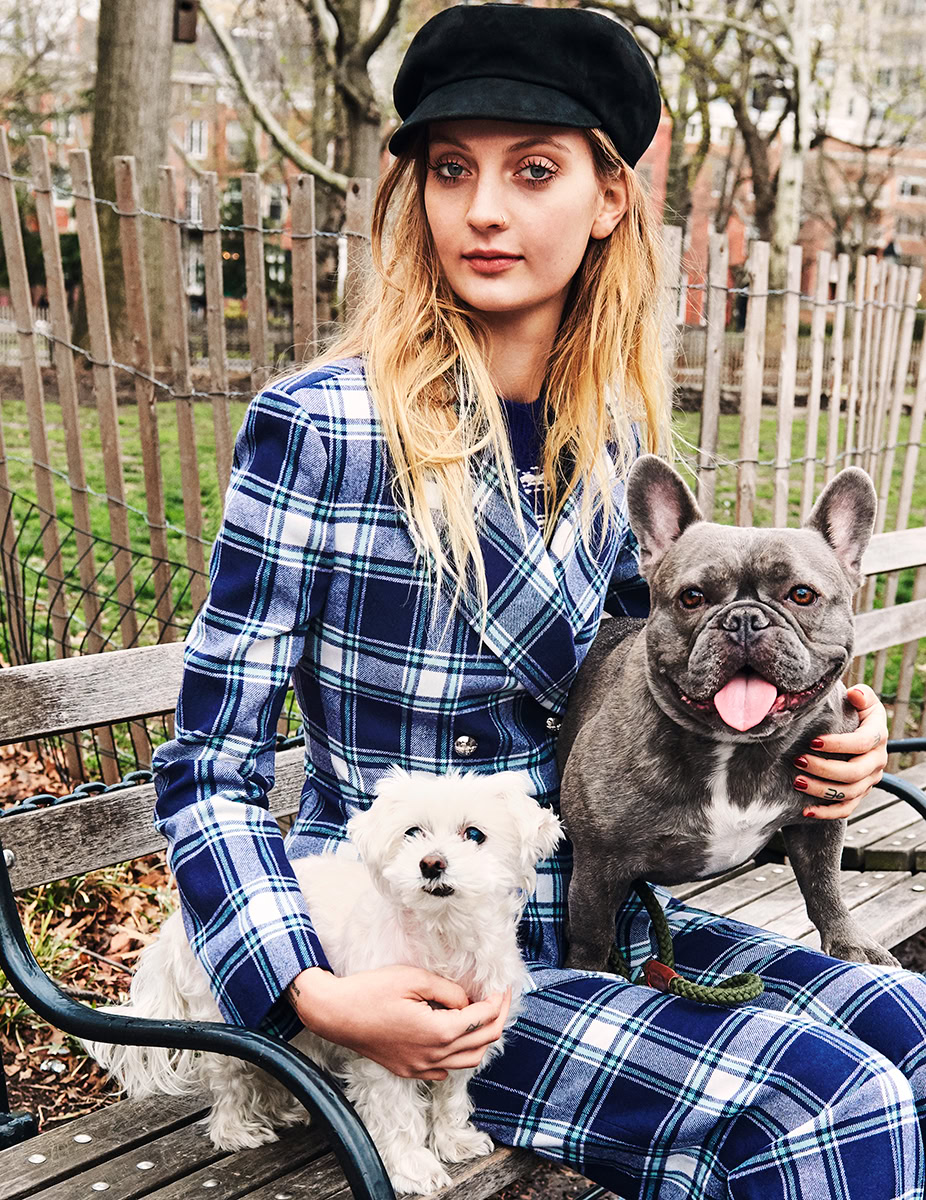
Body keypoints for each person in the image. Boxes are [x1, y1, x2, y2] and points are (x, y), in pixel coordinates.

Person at [152, 6, 926, 1196]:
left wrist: (824, 723)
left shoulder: (610, 442)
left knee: (908, 1034)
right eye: (449, 168)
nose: (484, 209)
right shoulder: (321, 430)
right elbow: (208, 765)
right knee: (826, 1107)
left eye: (533, 169)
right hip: (415, 950)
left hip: (599, 909)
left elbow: (658, 661)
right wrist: (308, 989)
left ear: (609, 196)